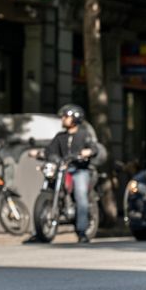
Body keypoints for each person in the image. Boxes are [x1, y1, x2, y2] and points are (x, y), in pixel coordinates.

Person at [37, 104, 105, 243]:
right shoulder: (60, 137)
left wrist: (88, 152)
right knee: (49, 184)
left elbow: (93, 148)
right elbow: (50, 150)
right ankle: (40, 225)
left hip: (79, 170)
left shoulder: (84, 135)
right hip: (62, 169)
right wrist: (39, 153)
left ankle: (82, 231)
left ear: (75, 118)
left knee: (80, 195)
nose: (63, 119)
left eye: (66, 116)